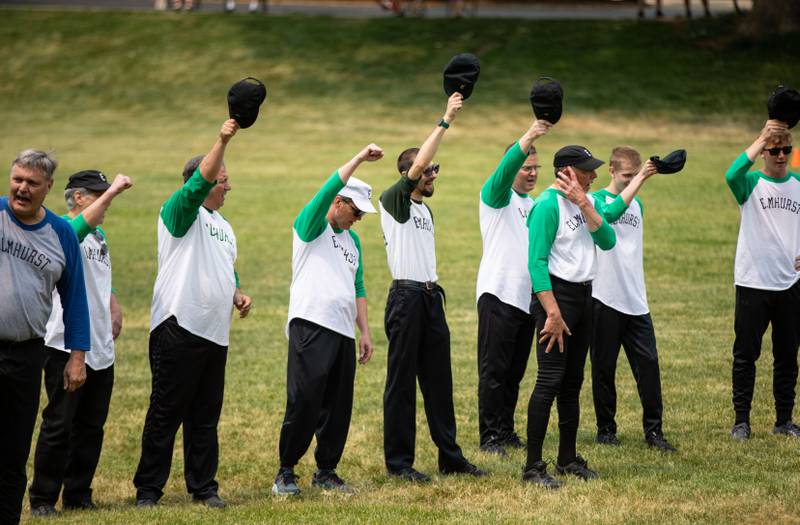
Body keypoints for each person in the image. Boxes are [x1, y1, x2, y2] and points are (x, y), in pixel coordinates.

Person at [133, 119, 252, 508]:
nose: (228, 186)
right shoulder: (178, 211)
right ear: (199, 183)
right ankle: (149, 490)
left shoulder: (225, 227)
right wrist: (223, 139)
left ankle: (204, 488)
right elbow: (197, 186)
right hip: (177, 325)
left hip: (215, 333)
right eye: (222, 179)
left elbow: (224, 267)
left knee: (204, 416)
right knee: (167, 412)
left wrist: (236, 293)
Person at [380, 92, 486, 482]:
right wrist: (445, 120)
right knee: (402, 384)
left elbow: (424, 165)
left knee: (440, 382)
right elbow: (419, 162)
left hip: (429, 298)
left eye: (434, 170)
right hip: (405, 299)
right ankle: (399, 463)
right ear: (411, 174)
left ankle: (450, 457)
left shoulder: (425, 209)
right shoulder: (395, 201)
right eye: (428, 171)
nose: (433, 174)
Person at [272, 144, 382, 497]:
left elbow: (359, 286)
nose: (358, 219)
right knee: (304, 399)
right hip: (310, 324)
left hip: (342, 332)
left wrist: (364, 331)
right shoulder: (311, 227)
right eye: (355, 210)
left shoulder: (353, 242)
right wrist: (359, 159)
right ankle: (286, 471)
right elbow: (325, 189)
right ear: (338, 202)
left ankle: (327, 470)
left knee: (338, 405)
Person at [28, 170, 133, 516]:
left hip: (100, 346)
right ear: (77, 198)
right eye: (98, 195)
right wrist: (115, 189)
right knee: (59, 424)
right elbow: (77, 231)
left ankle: (78, 492)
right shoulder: (61, 229)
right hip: (64, 344)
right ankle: (43, 498)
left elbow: (98, 279)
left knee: (91, 426)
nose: (107, 202)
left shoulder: (99, 236)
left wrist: (113, 302)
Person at [0, 150, 90, 525]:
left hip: (27, 353)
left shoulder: (62, 233)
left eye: (32, 183)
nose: (22, 188)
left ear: (49, 188)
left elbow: (75, 298)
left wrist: (77, 356)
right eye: (17, 179)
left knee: (13, 450)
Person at [522, 145, 617, 489]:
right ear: (567, 171)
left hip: (583, 296)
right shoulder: (546, 205)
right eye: (588, 170)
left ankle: (567, 459)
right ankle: (533, 466)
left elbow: (606, 240)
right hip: (557, 299)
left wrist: (584, 202)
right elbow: (536, 262)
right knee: (549, 381)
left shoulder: (584, 202)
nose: (594, 175)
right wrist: (552, 312)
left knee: (573, 383)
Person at [589, 147, 678, 452]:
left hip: (636, 299)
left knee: (649, 366)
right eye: (627, 176)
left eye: (635, 174)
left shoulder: (637, 204)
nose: (631, 181)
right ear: (612, 171)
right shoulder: (595, 201)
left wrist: (638, 181)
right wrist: (640, 179)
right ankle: (606, 429)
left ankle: (654, 432)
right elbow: (609, 216)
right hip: (604, 298)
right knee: (604, 368)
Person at [475, 119, 552, 455]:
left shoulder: (533, 206)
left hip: (526, 300)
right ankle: (490, 436)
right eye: (526, 168)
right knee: (494, 371)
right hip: (498, 294)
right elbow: (505, 171)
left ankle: (506, 431)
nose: (532, 174)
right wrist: (530, 134)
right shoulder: (496, 197)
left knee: (514, 373)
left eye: (536, 168)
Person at [726, 119, 800, 440]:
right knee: (746, 355)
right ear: (765, 152)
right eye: (774, 150)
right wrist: (761, 138)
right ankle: (742, 421)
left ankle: (784, 420)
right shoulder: (751, 183)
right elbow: (732, 174)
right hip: (753, 282)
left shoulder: (798, 183)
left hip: (790, 284)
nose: (781, 156)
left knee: (787, 356)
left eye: (786, 150)